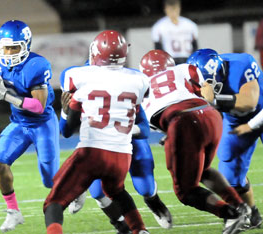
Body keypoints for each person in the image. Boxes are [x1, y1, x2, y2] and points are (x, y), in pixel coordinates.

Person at [43, 30, 150, 234]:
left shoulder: (79, 76)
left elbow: (66, 131)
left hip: (91, 152)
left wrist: (65, 113)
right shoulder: (139, 80)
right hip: (121, 155)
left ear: (95, 53)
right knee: (116, 190)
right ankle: (139, 229)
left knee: (53, 204)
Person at [140, 49, 251, 234]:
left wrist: (174, 133)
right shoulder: (185, 68)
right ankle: (240, 206)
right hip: (211, 116)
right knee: (202, 171)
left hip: (182, 123)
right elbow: (208, 91)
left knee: (186, 191)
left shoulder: (142, 91)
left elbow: (158, 121)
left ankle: (229, 213)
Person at [0, 20, 60, 233]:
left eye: (14, 47)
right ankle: (14, 212)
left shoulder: (37, 65)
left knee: (50, 180)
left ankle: (74, 187)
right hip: (19, 123)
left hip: (42, 124)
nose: (9, 52)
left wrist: (6, 96)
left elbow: (38, 106)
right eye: (5, 47)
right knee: (0, 162)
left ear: (26, 45)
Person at [59, 65, 172, 232]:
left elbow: (144, 131)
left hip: (130, 142)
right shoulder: (81, 93)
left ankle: (153, 201)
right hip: (100, 146)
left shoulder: (124, 92)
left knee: (145, 188)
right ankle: (120, 223)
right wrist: (65, 111)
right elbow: (66, 132)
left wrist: (121, 129)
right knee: (98, 192)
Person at [187, 48, 263, 229]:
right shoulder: (195, 78)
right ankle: (252, 214)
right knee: (229, 176)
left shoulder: (242, 64)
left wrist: (216, 99)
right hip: (235, 121)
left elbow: (250, 101)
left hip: (260, 111)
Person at [151, 0, 198, 64]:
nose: (173, 12)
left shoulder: (190, 25)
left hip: (188, 59)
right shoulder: (159, 26)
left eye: (175, 9)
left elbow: (195, 46)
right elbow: (158, 48)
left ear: (179, 8)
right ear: (165, 10)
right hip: (170, 60)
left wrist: (194, 60)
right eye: (170, 9)